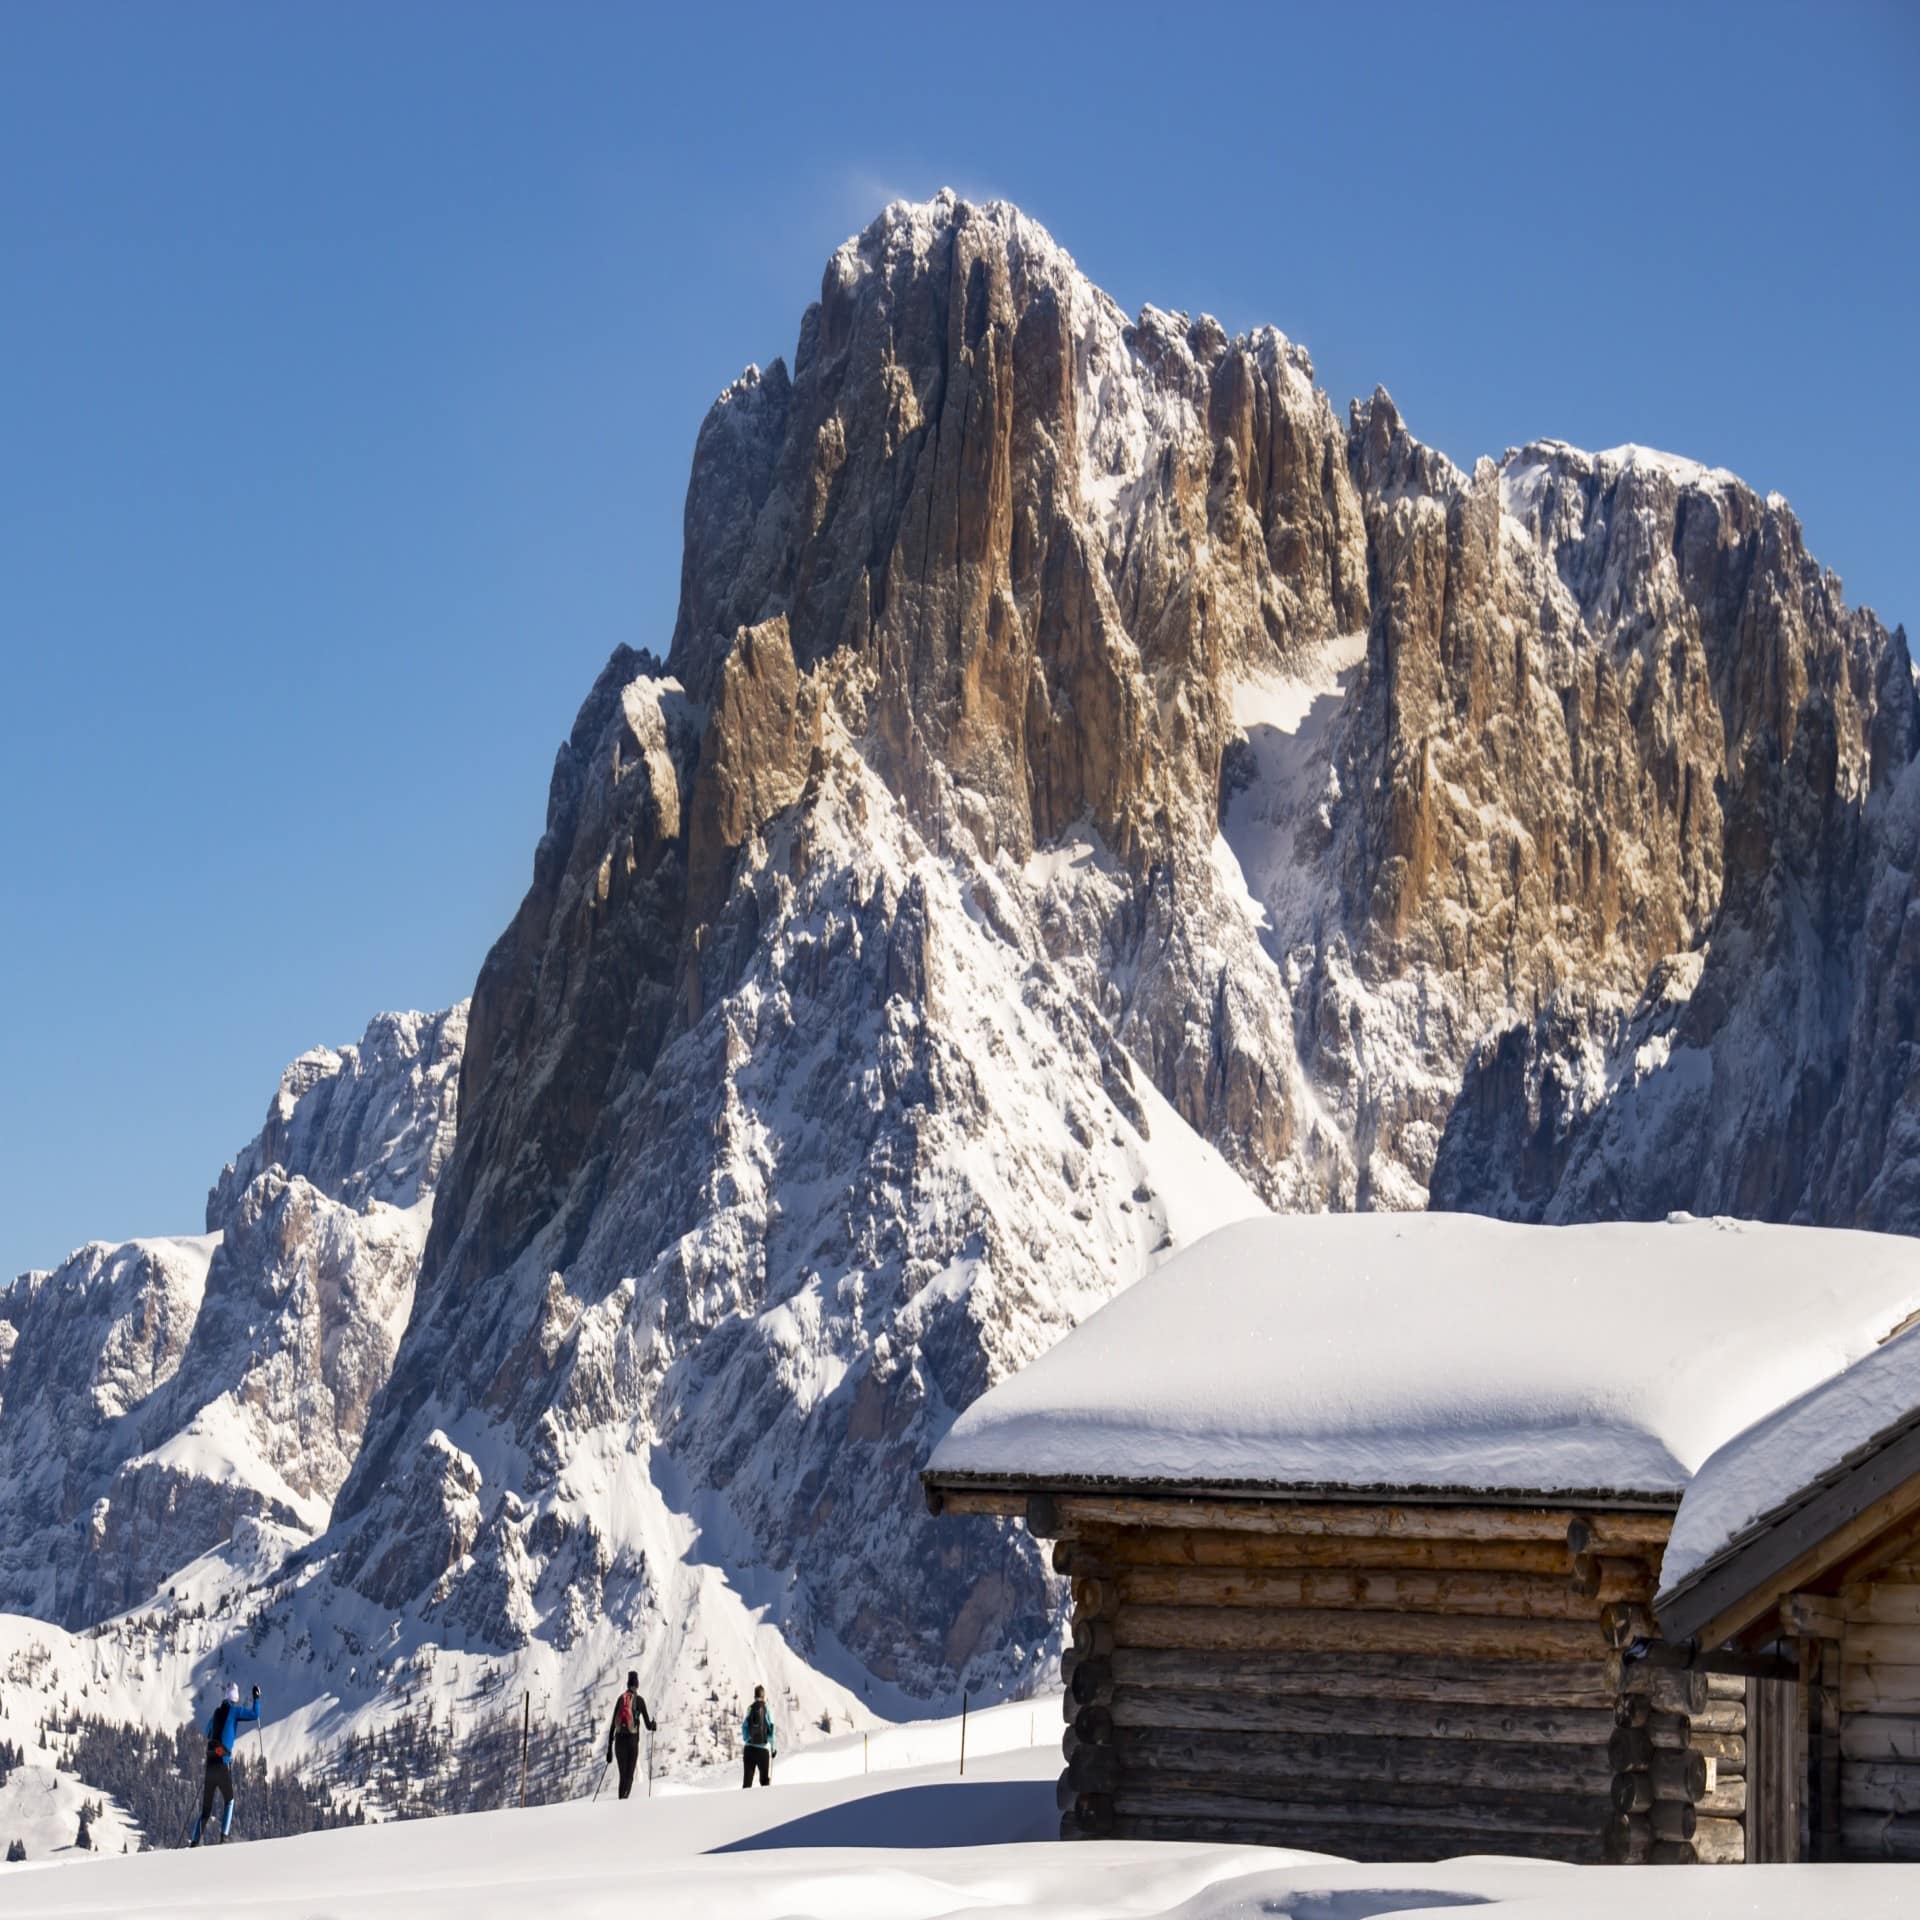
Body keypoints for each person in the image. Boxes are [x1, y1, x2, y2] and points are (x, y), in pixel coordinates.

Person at [190, 1681, 260, 1846]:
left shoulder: (215, 1713)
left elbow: (208, 1732)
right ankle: (224, 1837)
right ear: (234, 1699)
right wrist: (257, 1698)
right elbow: (255, 1715)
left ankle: (194, 1842)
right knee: (229, 1800)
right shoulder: (235, 1710)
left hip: (210, 1764)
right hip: (222, 1763)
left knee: (205, 1811)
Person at [604, 1670, 656, 1800]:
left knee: (623, 1776)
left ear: (628, 1685)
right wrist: (653, 1725)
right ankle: (623, 1803)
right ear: (637, 1685)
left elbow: (612, 1725)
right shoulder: (639, 1701)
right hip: (632, 1742)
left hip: (619, 1742)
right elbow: (648, 1725)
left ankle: (621, 1802)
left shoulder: (621, 1699)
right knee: (629, 1776)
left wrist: (609, 1750)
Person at [740, 1684, 776, 1788]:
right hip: (763, 1751)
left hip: (749, 1749)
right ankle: (765, 1804)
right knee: (764, 1783)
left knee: (747, 1782)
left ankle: (744, 1804)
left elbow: (744, 1726)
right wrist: (773, 1749)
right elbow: (772, 1730)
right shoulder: (767, 1709)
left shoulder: (750, 1709)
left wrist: (747, 1739)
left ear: (754, 1696)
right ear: (764, 1696)